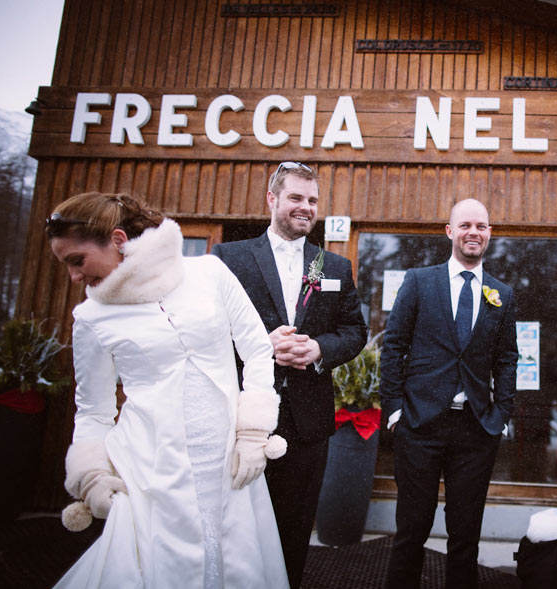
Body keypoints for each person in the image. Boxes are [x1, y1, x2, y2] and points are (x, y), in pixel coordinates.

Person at [46, 192, 288, 588]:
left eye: (78, 260)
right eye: (66, 266)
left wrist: (252, 431)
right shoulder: (90, 317)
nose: (74, 276)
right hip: (150, 471)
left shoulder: (208, 272)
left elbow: (257, 348)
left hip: (229, 461)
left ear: (118, 240)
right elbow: (92, 410)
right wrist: (91, 476)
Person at [212, 161, 367, 588]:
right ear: (272, 199)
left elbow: (355, 331)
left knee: (293, 529)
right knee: (234, 525)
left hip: (307, 421)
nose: (306, 207)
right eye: (296, 197)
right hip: (241, 418)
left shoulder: (331, 266)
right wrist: (262, 345)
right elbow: (206, 330)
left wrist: (319, 349)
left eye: (313, 200)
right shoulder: (229, 258)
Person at [381, 198, 518, 589]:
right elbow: (393, 347)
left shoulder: (501, 294)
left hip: (476, 429)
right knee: (411, 530)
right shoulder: (419, 282)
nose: (474, 232)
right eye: (466, 225)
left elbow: (508, 358)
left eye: (482, 226)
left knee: (465, 536)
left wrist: (502, 414)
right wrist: (394, 411)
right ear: (450, 231)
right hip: (420, 425)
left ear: (489, 233)